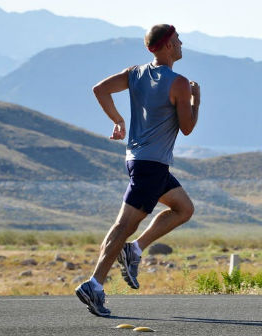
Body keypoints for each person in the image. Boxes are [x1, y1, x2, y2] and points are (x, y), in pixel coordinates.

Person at [75, 24, 200, 317]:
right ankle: (94, 284)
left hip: (139, 160)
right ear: (168, 45)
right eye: (178, 41)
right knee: (123, 226)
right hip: (151, 165)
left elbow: (100, 89)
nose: (182, 45)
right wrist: (196, 100)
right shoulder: (179, 83)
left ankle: (135, 250)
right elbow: (187, 128)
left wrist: (118, 120)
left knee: (184, 208)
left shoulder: (135, 73)